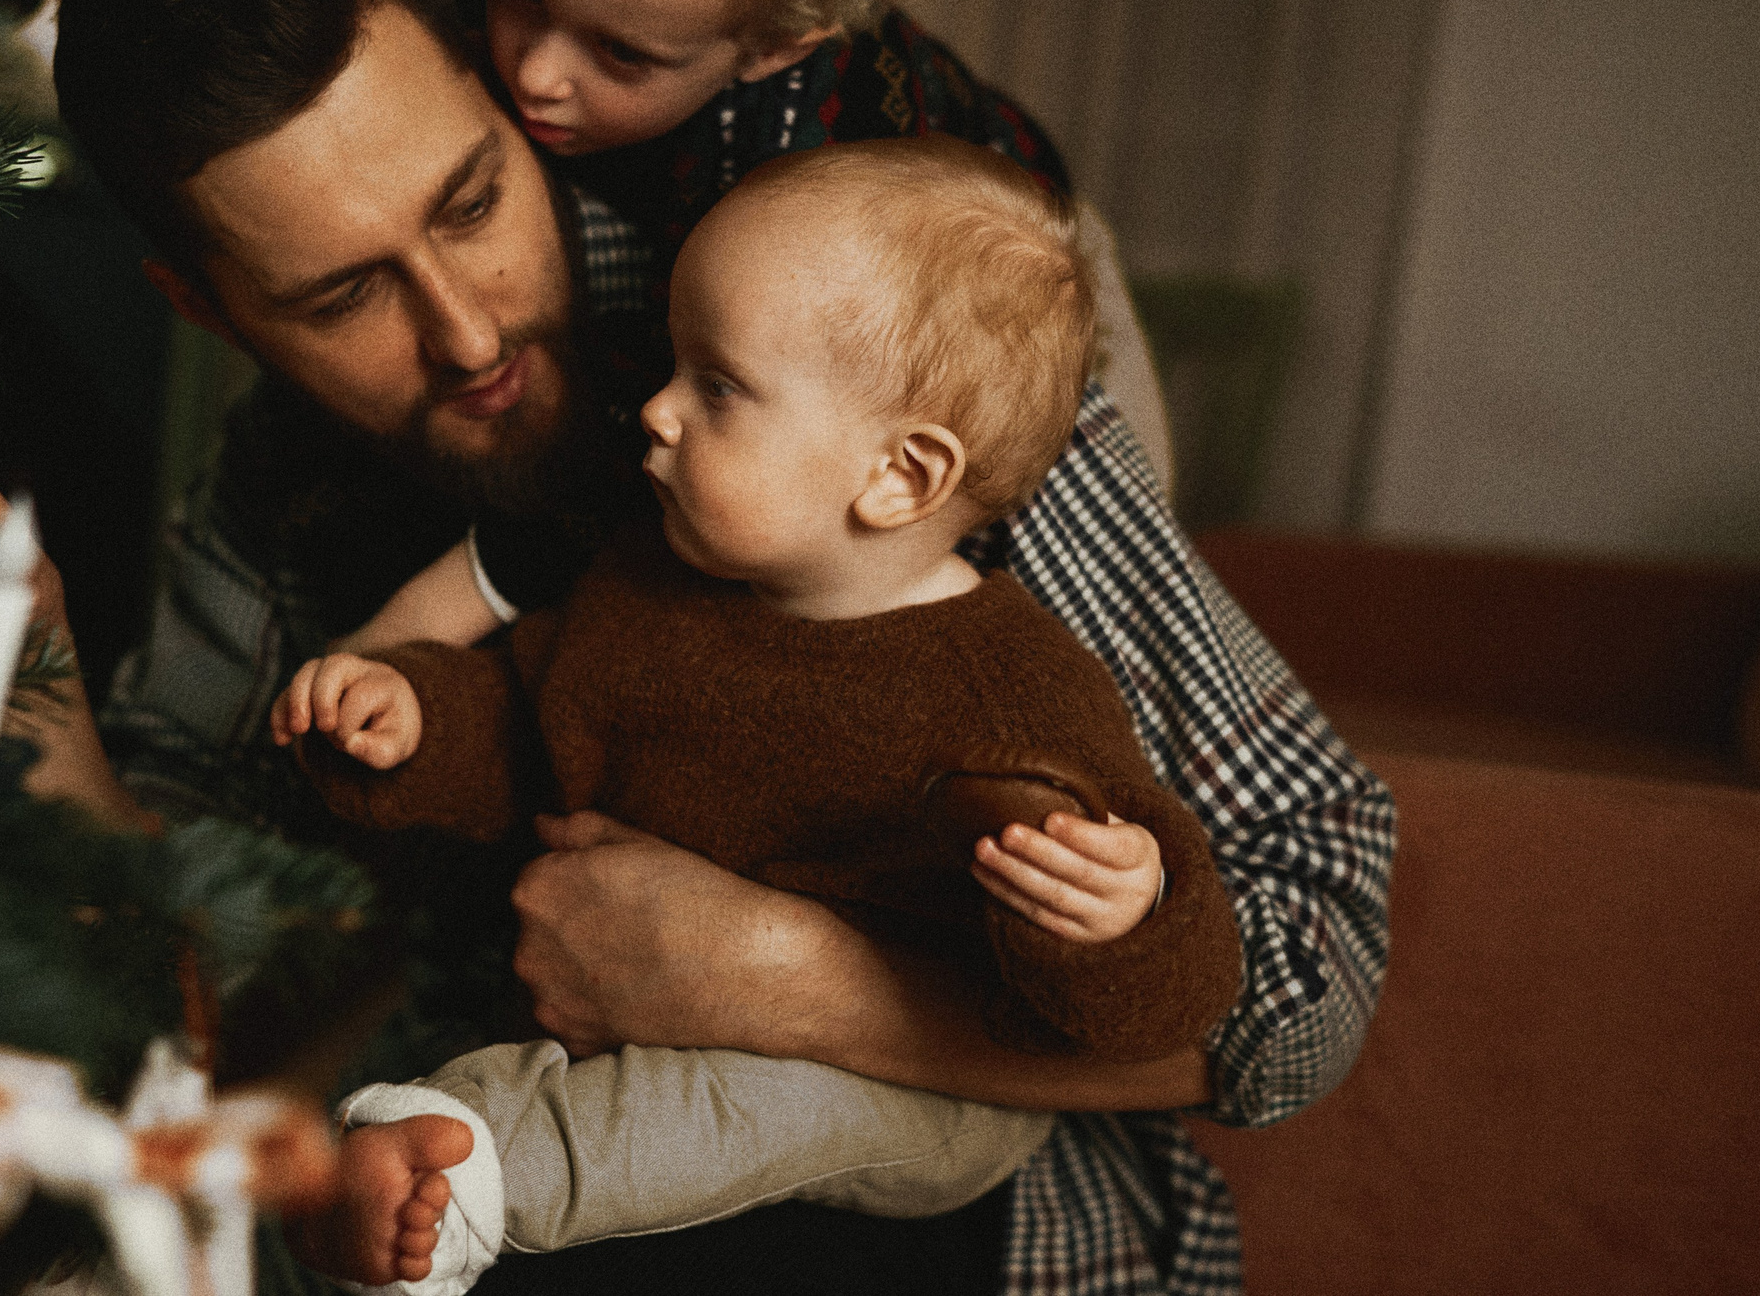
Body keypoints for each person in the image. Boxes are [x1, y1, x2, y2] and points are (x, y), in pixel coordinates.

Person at [54, 0, 1395, 1296]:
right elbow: (181, 963)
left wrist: (801, 981)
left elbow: (1318, 971)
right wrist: (29, 685)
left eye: (472, 202)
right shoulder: (279, 488)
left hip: (968, 1232)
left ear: (516, 105)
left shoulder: (868, 347)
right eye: (341, 299)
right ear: (206, 306)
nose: (463, 330)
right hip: (485, 1188)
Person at [271, 142, 1242, 1291]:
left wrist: (1123, 910)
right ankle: (422, 1153)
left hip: (920, 1097)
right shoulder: (646, 590)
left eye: (717, 386)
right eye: (675, 368)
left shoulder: (1009, 686)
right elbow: (528, 728)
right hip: (627, 1035)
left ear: (900, 476)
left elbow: (1178, 990)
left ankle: (484, 1175)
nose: (658, 410)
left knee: (757, 1100)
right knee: (583, 1083)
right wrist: (409, 721)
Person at [338, 0, 1174, 658]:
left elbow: (659, 413)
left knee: (1037, 511)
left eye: (622, 56)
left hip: (1020, 258)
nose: (537, 69)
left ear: (771, 45)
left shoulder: (807, 168)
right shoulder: (515, 34)